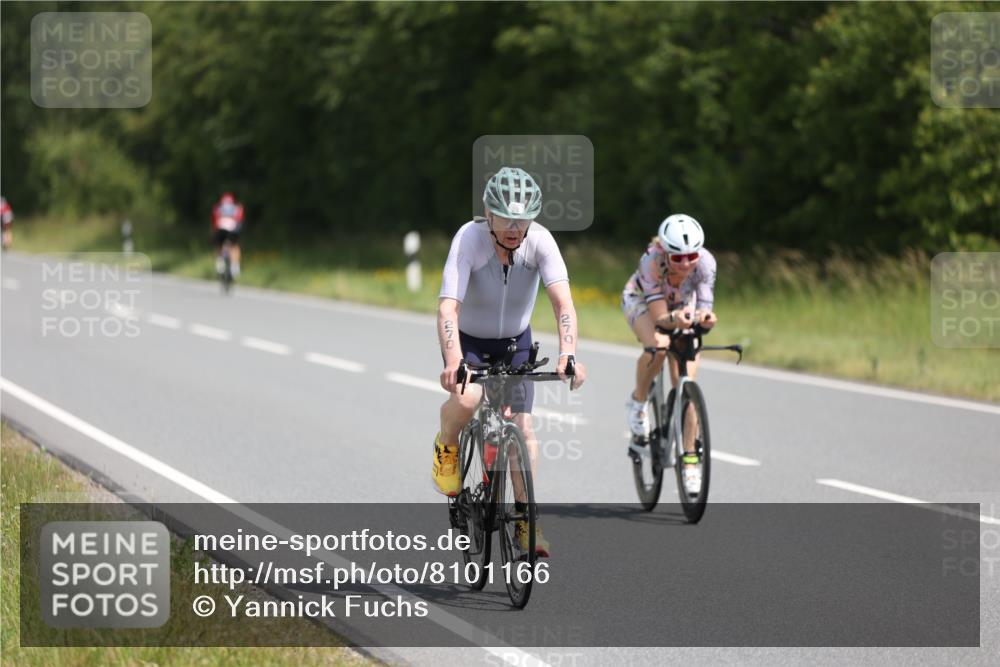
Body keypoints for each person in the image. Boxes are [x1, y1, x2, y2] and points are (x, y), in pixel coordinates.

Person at [433, 166, 588, 557]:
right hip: (469, 341)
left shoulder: (541, 242)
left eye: (523, 219)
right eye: (505, 219)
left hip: (516, 342)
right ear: (488, 213)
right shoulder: (469, 239)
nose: (515, 228)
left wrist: (568, 354)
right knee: (467, 399)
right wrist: (454, 360)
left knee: (523, 428)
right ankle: (447, 444)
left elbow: (563, 304)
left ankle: (524, 522)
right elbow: (448, 308)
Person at [621, 214, 718, 494]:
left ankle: (690, 460)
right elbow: (660, 317)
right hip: (643, 302)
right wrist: (675, 319)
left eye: (691, 256)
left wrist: (706, 318)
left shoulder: (706, 263)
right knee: (659, 347)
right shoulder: (651, 261)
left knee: (686, 384)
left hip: (681, 307)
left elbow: (704, 303)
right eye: (678, 258)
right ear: (665, 252)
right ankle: (639, 402)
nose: (686, 263)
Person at [211, 192, 244, 278]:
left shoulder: (217, 207)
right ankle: (235, 267)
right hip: (233, 230)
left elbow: (214, 220)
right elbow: (240, 219)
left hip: (220, 229)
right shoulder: (237, 207)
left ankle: (219, 265)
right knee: (235, 246)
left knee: (219, 244)